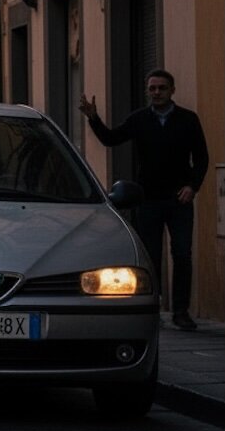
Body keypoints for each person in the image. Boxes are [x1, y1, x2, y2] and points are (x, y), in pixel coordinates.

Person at [79, 69, 209, 330]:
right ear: (147, 91)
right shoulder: (139, 120)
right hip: (147, 200)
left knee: (182, 255)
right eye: (152, 88)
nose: (156, 93)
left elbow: (202, 158)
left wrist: (192, 187)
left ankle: (181, 312)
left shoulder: (188, 120)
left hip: (179, 200)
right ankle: (153, 310)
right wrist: (94, 118)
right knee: (150, 257)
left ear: (172, 90)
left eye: (161, 88)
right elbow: (111, 139)